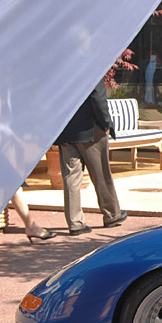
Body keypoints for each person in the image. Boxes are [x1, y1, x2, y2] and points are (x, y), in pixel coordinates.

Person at [56, 82, 127, 235]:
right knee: (101, 174)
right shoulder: (92, 68)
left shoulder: (62, 70)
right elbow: (98, 98)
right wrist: (106, 123)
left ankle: (75, 223)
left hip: (67, 130)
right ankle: (112, 215)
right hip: (91, 130)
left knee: (71, 177)